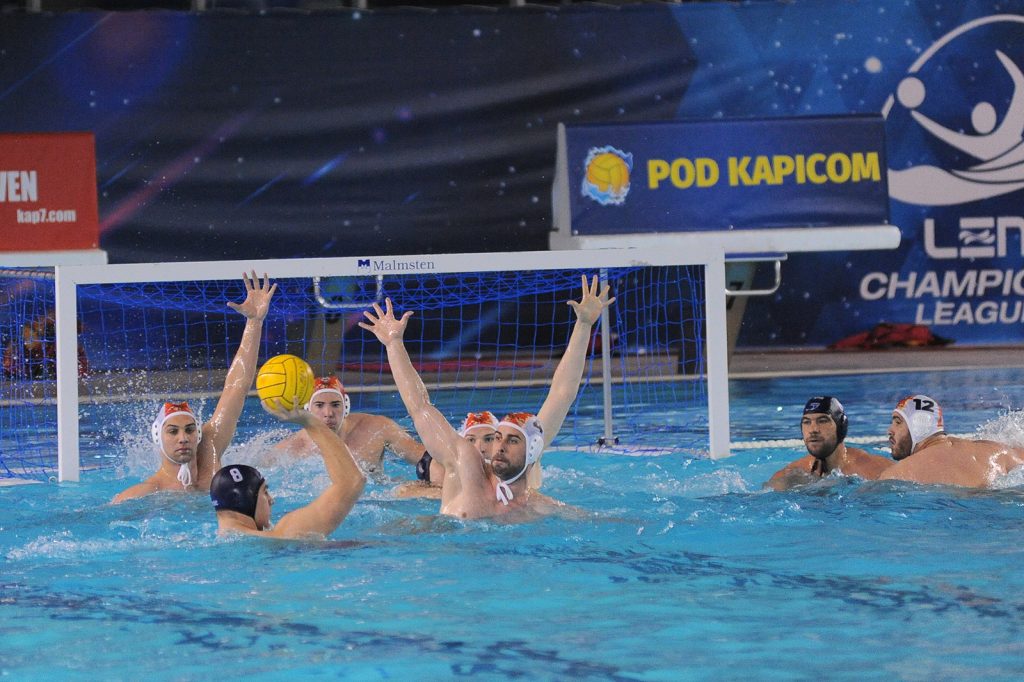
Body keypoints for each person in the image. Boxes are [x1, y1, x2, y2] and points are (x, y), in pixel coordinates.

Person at [358, 275, 614, 519]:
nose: (498, 447)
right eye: (498, 437)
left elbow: (562, 394)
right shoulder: (463, 465)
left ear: (533, 451)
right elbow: (420, 407)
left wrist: (583, 326)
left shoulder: (540, 505)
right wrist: (394, 344)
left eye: (512, 440)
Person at [112, 272, 276, 504]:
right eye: (173, 431)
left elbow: (236, 386)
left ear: (198, 434)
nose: (183, 438)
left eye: (189, 430)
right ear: (158, 437)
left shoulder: (210, 446)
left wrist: (254, 322)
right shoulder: (149, 492)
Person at [210, 405, 365, 539]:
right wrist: (310, 422)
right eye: (265, 492)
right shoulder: (284, 536)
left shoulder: (217, 543)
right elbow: (352, 481)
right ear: (242, 500)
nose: (271, 500)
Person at [269, 374, 427, 480]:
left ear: (345, 406)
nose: (328, 413)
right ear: (308, 409)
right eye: (319, 405)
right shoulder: (293, 447)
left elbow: (428, 461)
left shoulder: (377, 429)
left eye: (335, 405)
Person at [879, 394, 1024, 488]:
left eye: (898, 422)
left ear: (918, 426)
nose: (890, 430)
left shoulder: (901, 473)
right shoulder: (995, 450)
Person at [765, 396, 891, 491]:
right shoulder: (790, 475)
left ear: (840, 427)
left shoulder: (875, 469)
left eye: (822, 421)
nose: (813, 429)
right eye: (807, 422)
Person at [393, 410, 499, 499]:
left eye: (489, 439)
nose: (480, 448)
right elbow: (402, 491)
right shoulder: (445, 471)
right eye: (471, 440)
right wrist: (447, 494)